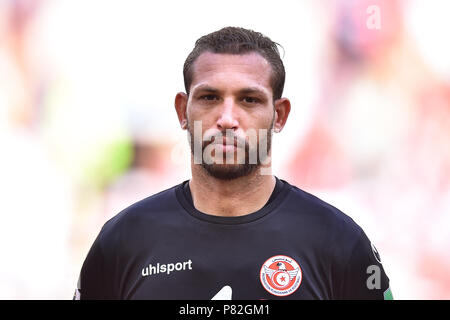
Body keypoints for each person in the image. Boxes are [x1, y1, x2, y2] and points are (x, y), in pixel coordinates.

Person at [74, 26, 392, 300]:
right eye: (210, 97)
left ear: (279, 115)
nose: (227, 119)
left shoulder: (339, 241)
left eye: (249, 100)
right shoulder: (123, 240)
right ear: (183, 110)